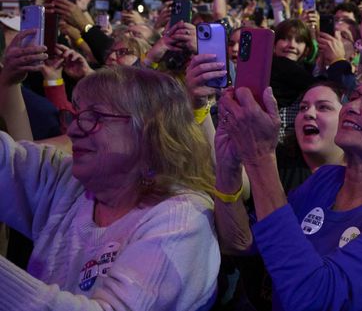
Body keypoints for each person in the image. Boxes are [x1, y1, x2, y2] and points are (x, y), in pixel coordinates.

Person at [213, 64, 362, 310]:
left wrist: (260, 156)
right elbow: (240, 242)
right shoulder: (325, 179)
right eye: (353, 97)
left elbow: (312, 300)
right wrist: (227, 167)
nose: (352, 107)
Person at [0, 64, 220, 310]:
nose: (73, 130)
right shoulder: (73, 184)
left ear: (150, 130)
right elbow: (6, 160)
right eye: (77, 114)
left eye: (94, 117)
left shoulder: (180, 220)